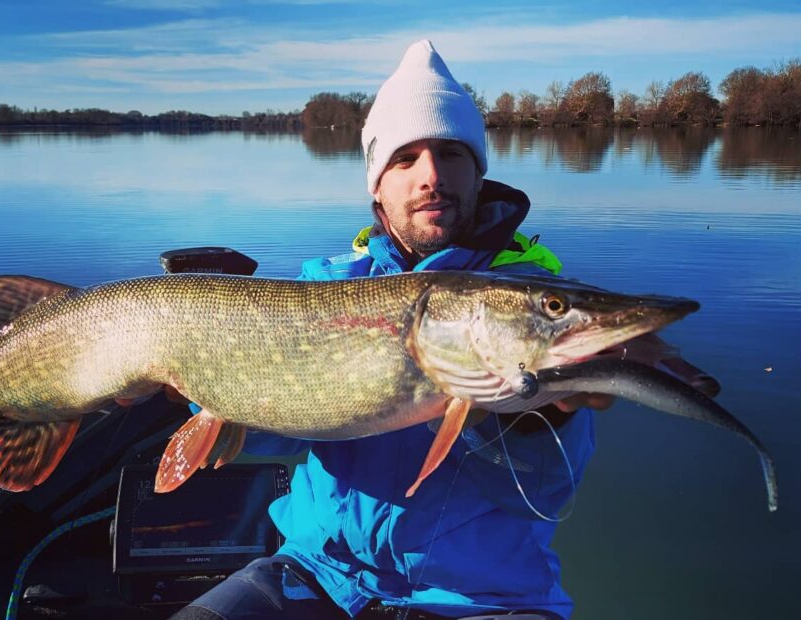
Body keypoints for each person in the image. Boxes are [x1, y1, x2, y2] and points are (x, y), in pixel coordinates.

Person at [170, 40, 611, 620]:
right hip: (315, 573)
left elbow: (546, 494)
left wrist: (536, 418)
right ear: (376, 184)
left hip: (484, 598)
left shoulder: (529, 307)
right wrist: (206, 384)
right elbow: (278, 440)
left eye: (452, 154)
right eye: (405, 159)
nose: (431, 176)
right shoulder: (321, 288)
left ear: (478, 174)